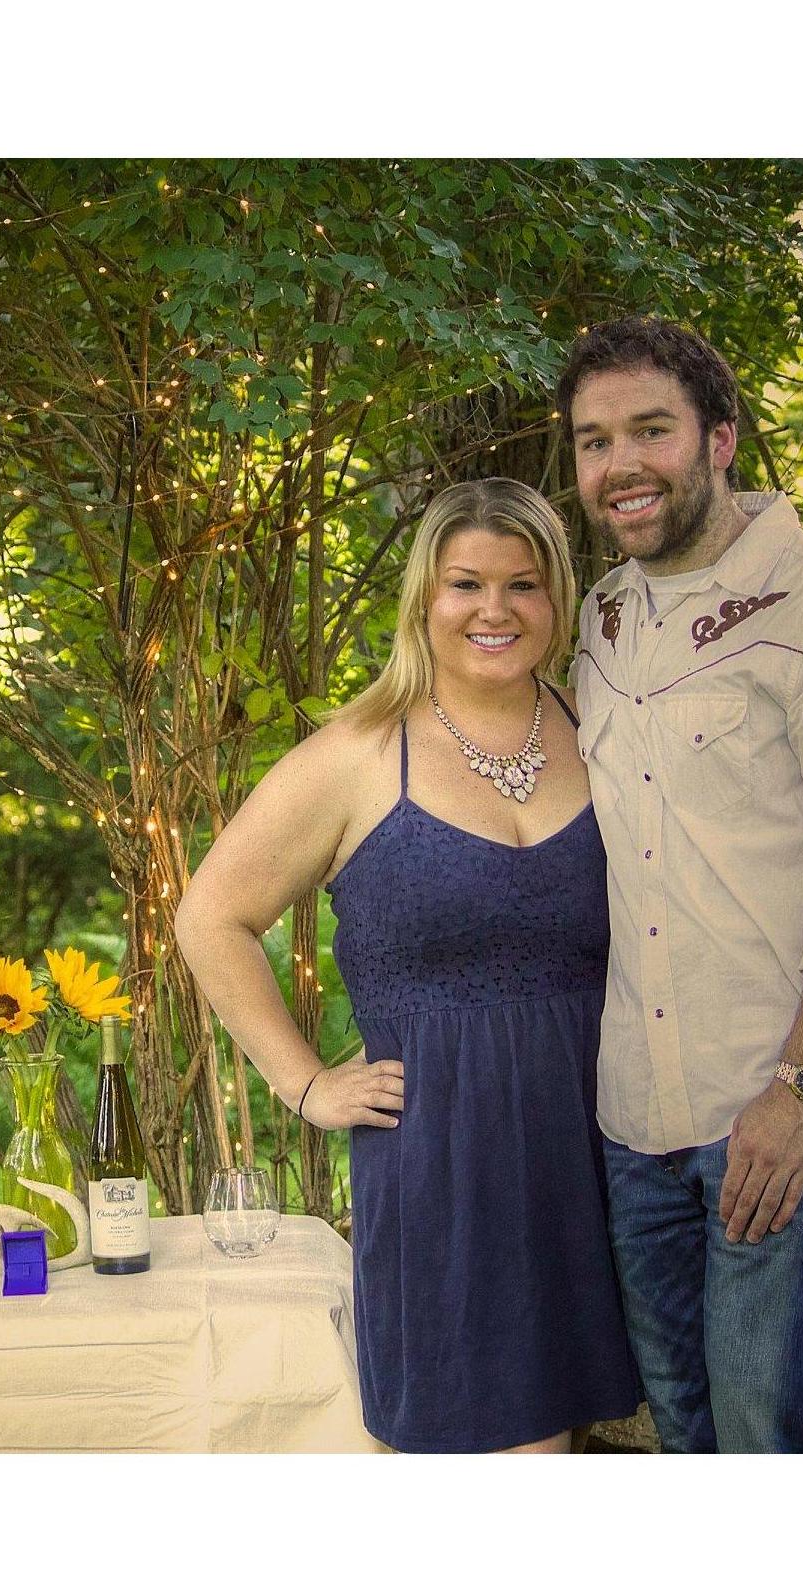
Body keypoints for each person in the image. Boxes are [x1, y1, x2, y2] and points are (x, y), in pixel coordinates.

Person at [174, 478, 641, 1453]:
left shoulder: (600, 727)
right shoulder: (355, 754)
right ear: (423, 597)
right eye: (464, 583)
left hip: (598, 1142)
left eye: (522, 583)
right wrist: (303, 1083)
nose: (493, 609)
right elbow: (211, 917)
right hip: (443, 1159)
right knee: (484, 1441)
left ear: (556, 596)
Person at [559, 315, 803, 1452]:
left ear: (720, 439)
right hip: (637, 1115)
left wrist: (801, 1090)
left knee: (768, 1435)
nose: (619, 465)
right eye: (592, 441)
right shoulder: (600, 618)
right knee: (685, 1434)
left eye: (651, 430)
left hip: (777, 1095)